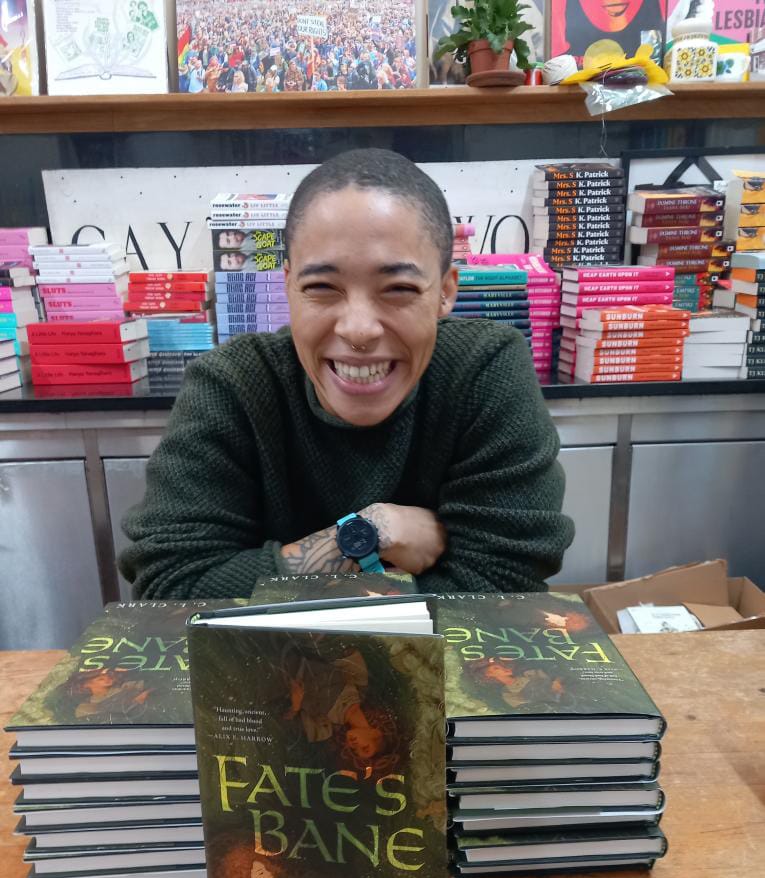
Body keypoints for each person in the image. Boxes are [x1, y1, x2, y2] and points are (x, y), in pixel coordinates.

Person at [119, 148, 574, 598]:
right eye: (321, 287)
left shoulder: (485, 370)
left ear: (445, 292)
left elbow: (503, 586)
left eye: (398, 288)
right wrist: (364, 534)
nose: (358, 330)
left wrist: (271, 586)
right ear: (288, 286)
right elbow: (170, 585)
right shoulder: (231, 385)